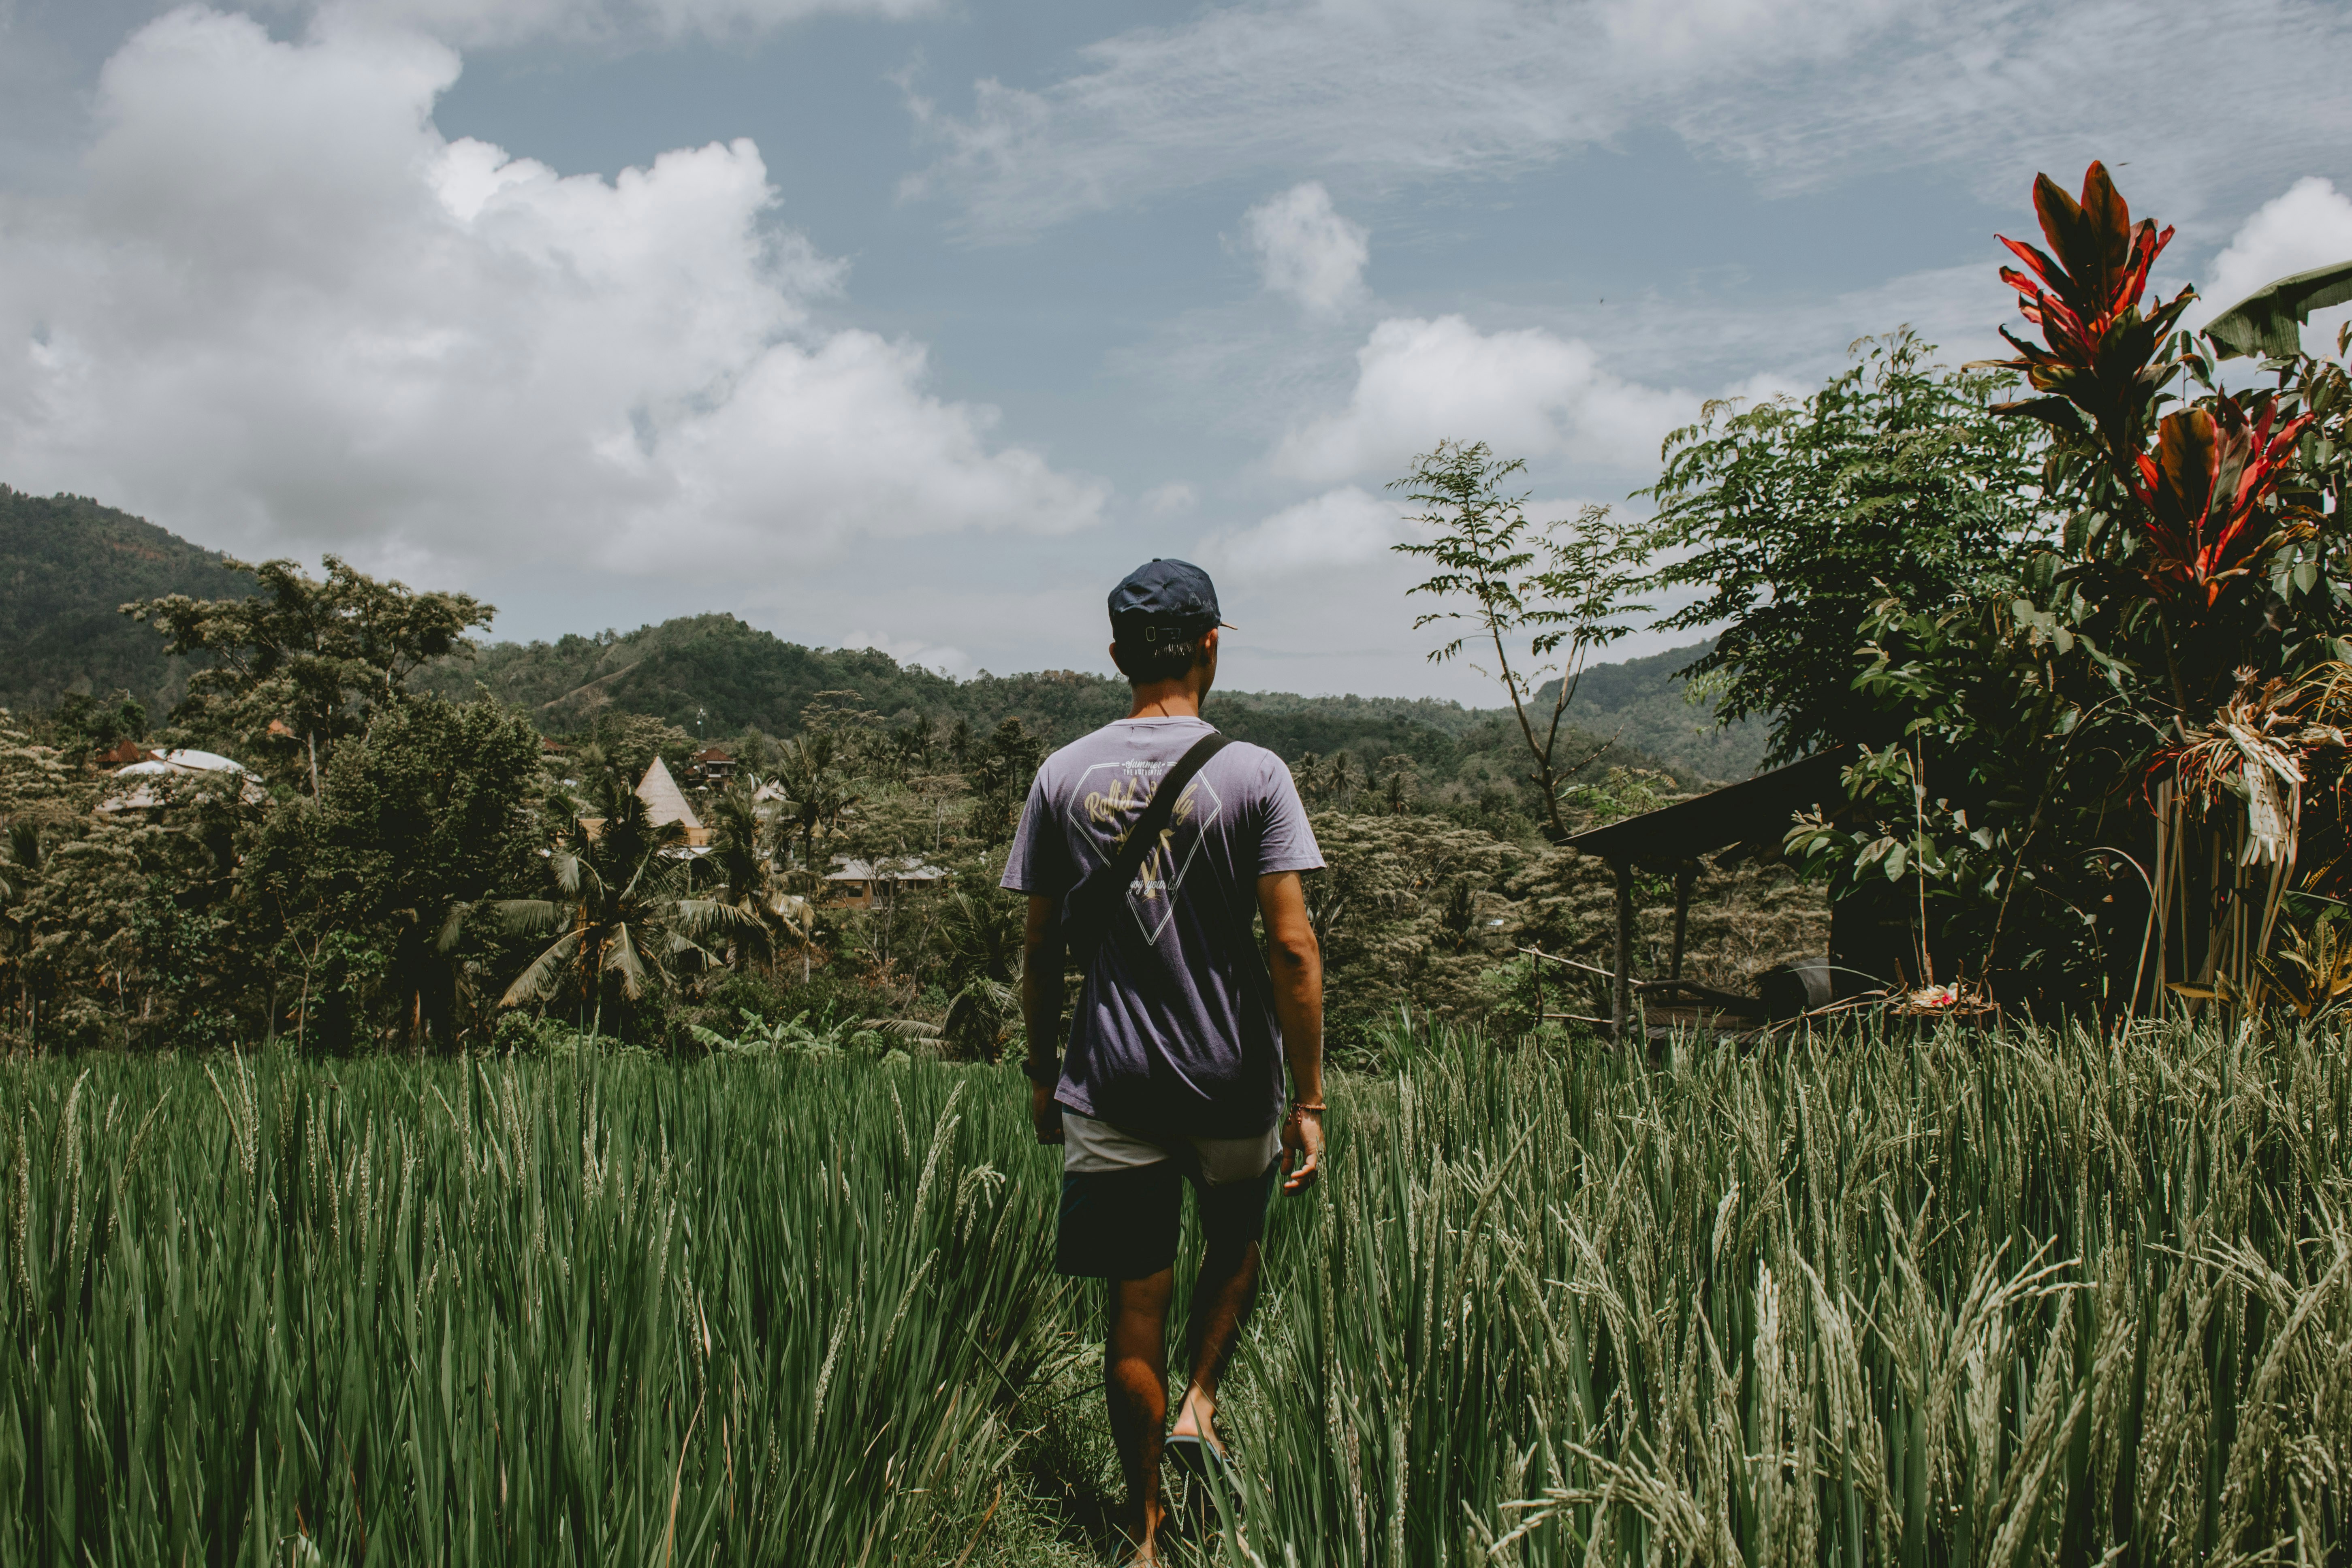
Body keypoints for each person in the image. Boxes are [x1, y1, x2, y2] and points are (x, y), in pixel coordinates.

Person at [1003, 558, 1326, 1565]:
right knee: (1234, 1240)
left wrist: (1041, 1072)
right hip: (1232, 1080)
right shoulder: (1254, 773)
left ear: (1116, 655)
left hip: (1111, 1086)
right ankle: (1201, 1401)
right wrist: (1309, 1097)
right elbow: (1292, 949)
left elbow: (1040, 947)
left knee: (1129, 1312)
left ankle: (1140, 1537)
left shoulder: (1061, 775)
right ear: (1209, 646)